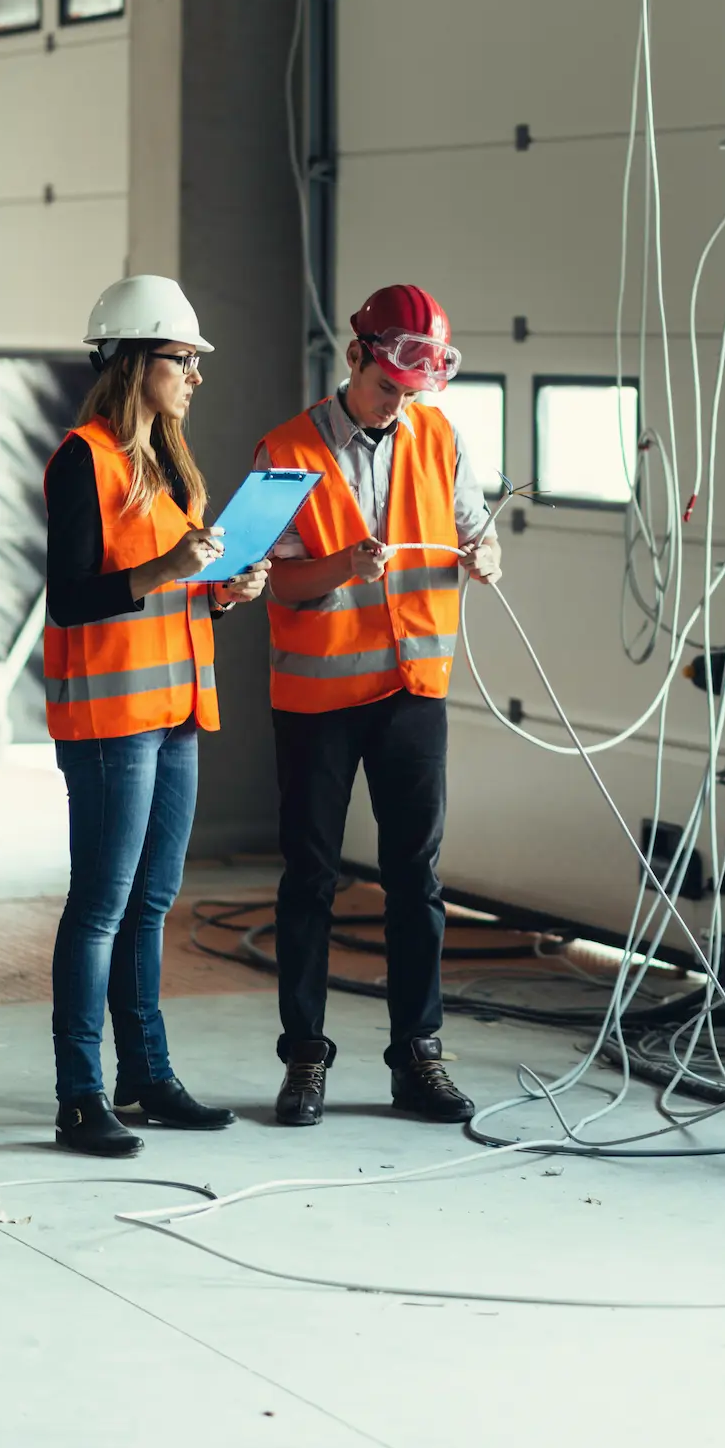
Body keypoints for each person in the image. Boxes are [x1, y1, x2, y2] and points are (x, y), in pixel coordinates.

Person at [255, 285, 502, 1127]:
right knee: (311, 881)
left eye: (413, 389)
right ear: (355, 357)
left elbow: (472, 526)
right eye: (388, 386)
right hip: (318, 699)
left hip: (411, 695)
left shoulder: (438, 435)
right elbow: (269, 580)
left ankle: (417, 1060)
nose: (400, 402)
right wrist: (339, 569)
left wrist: (485, 551)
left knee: (415, 881)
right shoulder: (287, 450)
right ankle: (303, 1060)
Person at [44, 275, 269, 1157]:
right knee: (100, 907)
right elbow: (70, 600)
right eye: (183, 359)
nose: (195, 376)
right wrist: (170, 567)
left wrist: (222, 592)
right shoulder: (82, 459)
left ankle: (146, 1078)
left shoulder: (172, 465)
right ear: (135, 361)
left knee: (150, 905)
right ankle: (78, 1096)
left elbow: (170, 591)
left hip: (174, 711)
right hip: (109, 725)